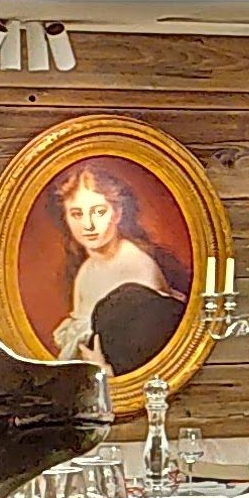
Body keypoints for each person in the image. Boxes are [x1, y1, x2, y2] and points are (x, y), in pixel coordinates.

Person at [44, 159, 187, 375]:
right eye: (77, 214)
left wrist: (106, 370)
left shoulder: (138, 267)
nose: (89, 225)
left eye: (99, 212)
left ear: (118, 213)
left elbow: (148, 355)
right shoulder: (87, 270)